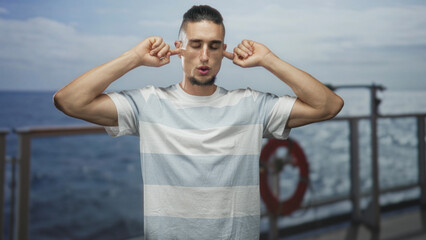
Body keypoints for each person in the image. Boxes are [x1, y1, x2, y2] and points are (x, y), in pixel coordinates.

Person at [54, 5, 343, 240]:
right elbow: (69, 101)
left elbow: (329, 106)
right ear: (179, 48)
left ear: (223, 51)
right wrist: (133, 58)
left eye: (214, 46)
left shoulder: (251, 105)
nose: (204, 56)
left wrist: (268, 59)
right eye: (196, 44)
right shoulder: (149, 103)